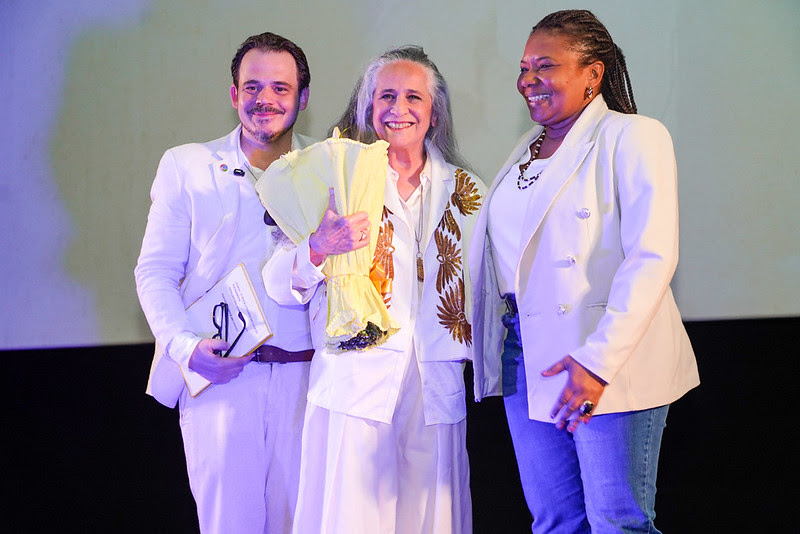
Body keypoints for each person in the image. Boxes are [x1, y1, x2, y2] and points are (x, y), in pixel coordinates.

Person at [469, 9, 701, 533]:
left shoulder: (634, 136)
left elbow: (653, 255)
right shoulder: (525, 152)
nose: (527, 80)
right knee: (555, 521)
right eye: (524, 67)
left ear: (593, 75)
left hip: (600, 354)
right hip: (522, 352)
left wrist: (596, 363)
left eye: (545, 66)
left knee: (616, 520)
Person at [262, 45, 497, 534]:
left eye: (414, 97)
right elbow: (276, 281)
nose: (399, 108)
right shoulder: (333, 176)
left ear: (435, 115)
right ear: (368, 110)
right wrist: (317, 248)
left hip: (435, 388)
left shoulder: (468, 191)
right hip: (354, 382)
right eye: (385, 96)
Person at [134, 32, 316, 534]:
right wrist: (183, 347)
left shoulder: (327, 167)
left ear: (302, 98)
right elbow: (153, 271)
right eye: (251, 86)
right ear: (234, 94)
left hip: (309, 383)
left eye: (281, 88)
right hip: (220, 381)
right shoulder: (187, 165)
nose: (265, 99)